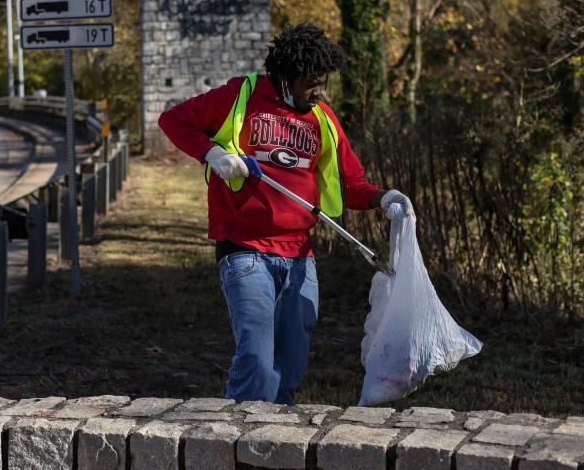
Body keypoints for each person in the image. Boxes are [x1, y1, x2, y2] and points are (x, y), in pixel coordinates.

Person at [158, 22, 412, 404]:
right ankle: (234, 438)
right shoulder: (240, 95)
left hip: (299, 258)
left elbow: (352, 183)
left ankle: (274, 438)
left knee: (291, 364)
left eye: (322, 82)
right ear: (285, 77)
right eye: (312, 82)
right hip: (245, 251)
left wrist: (383, 198)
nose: (319, 91)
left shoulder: (322, 118)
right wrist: (214, 154)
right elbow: (173, 120)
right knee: (258, 360)